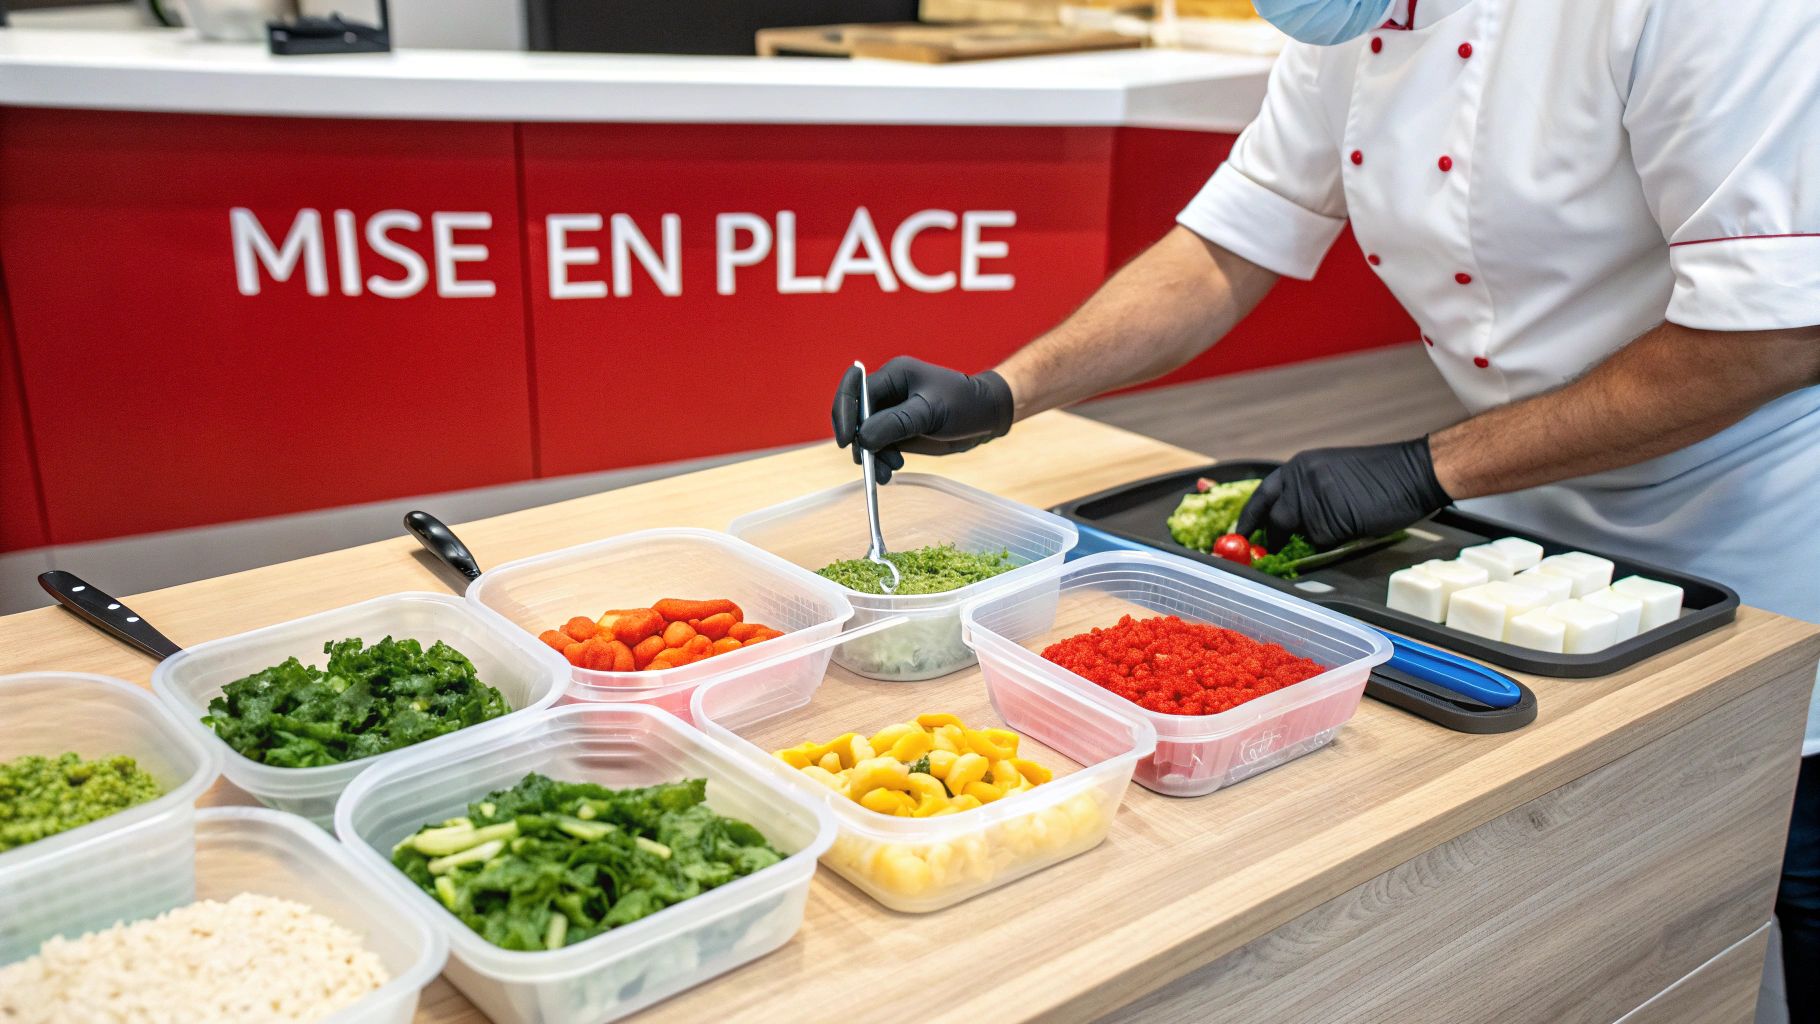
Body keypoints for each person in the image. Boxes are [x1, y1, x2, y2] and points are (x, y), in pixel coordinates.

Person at [831, 0, 1820, 1014]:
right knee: (1612, 913)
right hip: (1513, 528)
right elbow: (1228, 240)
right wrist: (1005, 391)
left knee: (1779, 870)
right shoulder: (1348, 20)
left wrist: (1427, 466)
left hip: (1763, 514)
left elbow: (1769, 336)